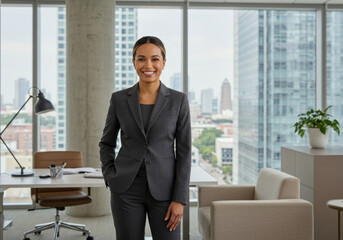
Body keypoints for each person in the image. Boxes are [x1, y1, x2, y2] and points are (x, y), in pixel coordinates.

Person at [99, 36, 192, 240]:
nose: (148, 65)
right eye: (141, 59)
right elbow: (106, 142)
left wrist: (180, 199)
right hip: (126, 189)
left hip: (166, 192)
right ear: (134, 62)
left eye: (155, 59)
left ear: (163, 63)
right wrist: (109, 174)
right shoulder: (119, 99)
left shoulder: (179, 100)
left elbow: (184, 152)